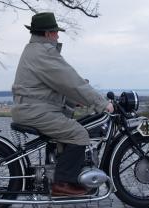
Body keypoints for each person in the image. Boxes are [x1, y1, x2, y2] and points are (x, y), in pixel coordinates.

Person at [11, 12, 114, 196]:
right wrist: (101, 103)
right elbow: (70, 81)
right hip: (36, 111)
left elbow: (52, 86)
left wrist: (73, 101)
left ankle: (61, 171)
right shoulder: (44, 52)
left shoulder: (34, 49)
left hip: (32, 108)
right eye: (56, 32)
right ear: (49, 33)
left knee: (70, 130)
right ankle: (62, 183)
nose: (58, 36)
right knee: (79, 134)